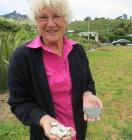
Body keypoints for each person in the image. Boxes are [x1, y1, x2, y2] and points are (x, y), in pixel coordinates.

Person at [8, 0, 103, 140]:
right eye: (43, 17)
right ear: (36, 21)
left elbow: (88, 82)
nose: (51, 24)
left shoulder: (77, 50)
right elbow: (19, 102)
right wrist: (44, 119)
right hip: (45, 135)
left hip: (78, 133)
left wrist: (88, 94)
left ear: (66, 20)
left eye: (57, 16)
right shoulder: (22, 56)